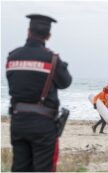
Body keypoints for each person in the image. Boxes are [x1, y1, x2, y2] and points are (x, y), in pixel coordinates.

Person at [6, 14, 72, 172]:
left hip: (18, 121)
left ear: (28, 31)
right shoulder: (52, 59)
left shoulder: (12, 56)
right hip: (43, 124)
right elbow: (65, 82)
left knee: (20, 168)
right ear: (48, 36)